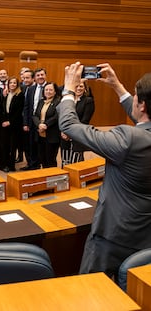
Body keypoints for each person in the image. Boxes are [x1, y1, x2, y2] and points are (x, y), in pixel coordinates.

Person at [58, 61, 151, 278]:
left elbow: (70, 125)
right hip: (145, 236)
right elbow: (141, 116)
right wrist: (117, 86)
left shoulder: (128, 139)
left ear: (143, 104)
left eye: (136, 96)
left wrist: (69, 90)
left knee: (93, 292)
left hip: (114, 238)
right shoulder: (139, 136)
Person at [60, 81, 95, 166]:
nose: (78, 88)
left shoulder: (88, 101)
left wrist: (70, 133)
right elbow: (62, 116)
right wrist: (63, 131)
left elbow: (85, 120)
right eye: (76, 86)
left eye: (81, 86)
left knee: (75, 162)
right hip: (65, 136)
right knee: (65, 161)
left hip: (77, 136)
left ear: (85, 88)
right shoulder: (67, 100)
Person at [22, 68, 47, 170]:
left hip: (45, 122)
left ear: (45, 76)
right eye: (38, 75)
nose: (40, 77)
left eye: (42, 75)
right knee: (32, 144)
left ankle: (45, 166)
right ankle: (33, 165)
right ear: (35, 78)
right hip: (32, 121)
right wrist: (26, 123)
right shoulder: (31, 89)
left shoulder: (50, 88)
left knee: (44, 145)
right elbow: (27, 107)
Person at [32, 82, 62, 168]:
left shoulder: (58, 102)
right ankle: (45, 178)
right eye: (46, 90)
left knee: (50, 159)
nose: (48, 91)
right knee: (42, 158)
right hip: (40, 134)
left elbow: (56, 116)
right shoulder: (41, 101)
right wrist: (39, 125)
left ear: (55, 92)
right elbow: (35, 115)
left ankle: (52, 178)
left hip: (52, 134)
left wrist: (45, 125)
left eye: (50, 90)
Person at [0, 76, 25, 172]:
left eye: (14, 83)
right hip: (4, 124)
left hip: (14, 125)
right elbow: (2, 109)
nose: (12, 84)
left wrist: (10, 122)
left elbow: (19, 112)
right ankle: (3, 164)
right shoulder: (6, 94)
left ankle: (11, 166)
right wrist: (3, 121)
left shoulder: (20, 95)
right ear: (8, 84)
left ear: (17, 85)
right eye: (11, 83)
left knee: (12, 146)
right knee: (3, 145)